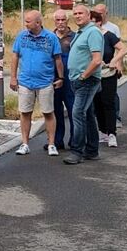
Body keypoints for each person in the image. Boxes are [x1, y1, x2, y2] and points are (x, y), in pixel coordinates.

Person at [10, 10, 64, 156]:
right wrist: (13, 77)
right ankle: (25, 143)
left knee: (48, 112)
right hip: (26, 82)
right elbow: (15, 56)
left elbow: (57, 58)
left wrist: (61, 77)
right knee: (25, 113)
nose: (25, 24)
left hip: (45, 81)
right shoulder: (21, 36)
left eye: (28, 21)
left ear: (38, 23)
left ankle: (52, 144)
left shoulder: (51, 37)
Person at [63, 5, 104, 165]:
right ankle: (92, 150)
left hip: (87, 80)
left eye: (81, 13)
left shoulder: (92, 32)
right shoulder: (82, 32)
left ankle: (76, 151)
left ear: (88, 15)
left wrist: (83, 76)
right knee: (87, 115)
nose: (77, 16)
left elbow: (96, 59)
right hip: (78, 80)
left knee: (77, 114)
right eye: (75, 14)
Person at [92, 10, 127, 148]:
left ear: (99, 22)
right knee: (97, 104)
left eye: (93, 22)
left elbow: (123, 49)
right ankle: (102, 132)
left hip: (107, 73)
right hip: (93, 74)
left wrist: (114, 61)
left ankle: (112, 133)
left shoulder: (108, 35)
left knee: (108, 103)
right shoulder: (86, 36)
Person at [93, 3, 123, 127]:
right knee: (97, 97)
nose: (99, 14)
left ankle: (115, 118)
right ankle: (101, 123)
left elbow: (119, 48)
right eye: (96, 12)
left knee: (111, 95)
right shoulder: (90, 28)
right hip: (96, 69)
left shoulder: (112, 28)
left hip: (109, 68)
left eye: (101, 12)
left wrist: (118, 64)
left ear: (106, 13)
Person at [52, 10, 76, 151]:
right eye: (58, 20)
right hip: (53, 77)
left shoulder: (74, 37)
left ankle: (75, 140)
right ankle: (57, 140)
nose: (60, 22)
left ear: (68, 21)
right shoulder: (50, 36)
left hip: (70, 78)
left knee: (73, 110)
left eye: (63, 20)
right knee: (56, 111)